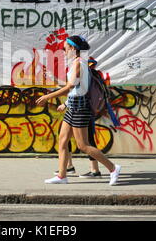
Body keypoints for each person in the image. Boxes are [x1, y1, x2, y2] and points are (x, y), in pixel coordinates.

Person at [35, 36, 121, 185]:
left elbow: (69, 88)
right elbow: (74, 87)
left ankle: (113, 168)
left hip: (81, 108)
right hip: (73, 106)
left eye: (65, 48)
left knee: (83, 145)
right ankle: (62, 176)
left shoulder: (79, 64)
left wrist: (47, 97)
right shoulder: (76, 63)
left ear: (73, 49)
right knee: (62, 140)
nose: (63, 51)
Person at [54, 57, 102, 179]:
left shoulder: (88, 75)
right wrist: (65, 104)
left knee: (86, 143)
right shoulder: (90, 75)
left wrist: (64, 104)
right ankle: (68, 167)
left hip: (83, 110)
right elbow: (76, 92)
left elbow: (80, 93)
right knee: (65, 138)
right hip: (78, 108)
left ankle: (98, 169)